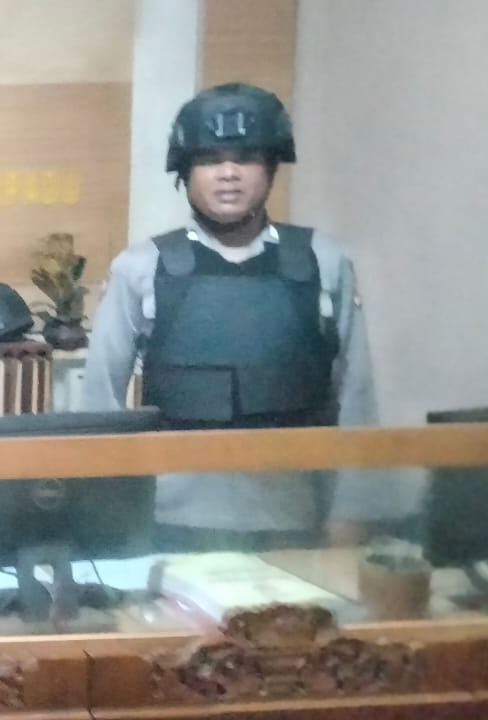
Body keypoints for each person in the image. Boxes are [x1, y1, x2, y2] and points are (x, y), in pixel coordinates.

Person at [82, 82, 401, 551]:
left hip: (293, 519)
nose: (228, 173)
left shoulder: (324, 261)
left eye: (247, 157)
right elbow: (99, 402)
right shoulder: (141, 266)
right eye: (210, 159)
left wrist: (353, 512)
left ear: (271, 167)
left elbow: (357, 397)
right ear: (186, 171)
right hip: (168, 521)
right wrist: (105, 514)